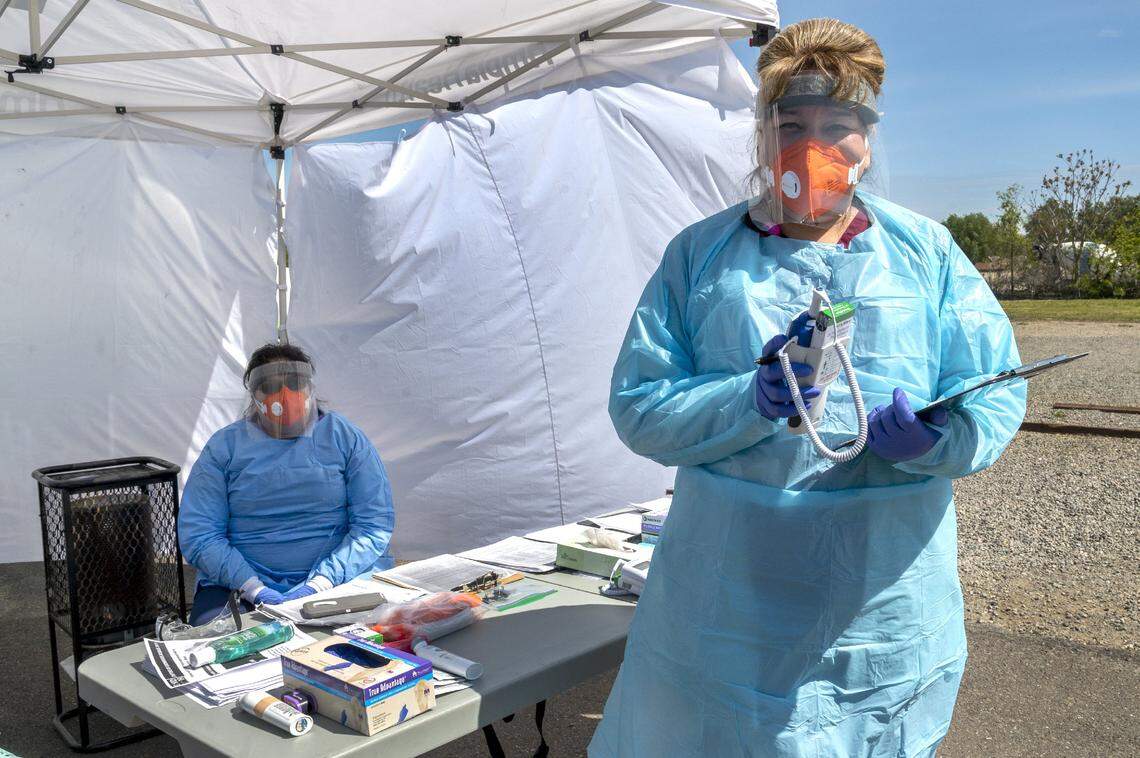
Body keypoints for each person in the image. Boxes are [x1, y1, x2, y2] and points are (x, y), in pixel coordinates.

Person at [589, 18, 1026, 758]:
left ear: (869, 140)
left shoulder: (925, 253)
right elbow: (640, 405)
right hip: (731, 607)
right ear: (762, 136)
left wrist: (937, 438)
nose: (814, 144)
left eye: (840, 124)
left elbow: (994, 389)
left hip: (882, 606)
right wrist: (745, 402)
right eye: (790, 122)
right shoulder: (701, 257)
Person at [179, 343, 396, 625]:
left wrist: (321, 583)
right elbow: (200, 533)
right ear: (254, 394)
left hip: (339, 580)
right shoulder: (225, 447)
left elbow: (373, 523)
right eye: (269, 386)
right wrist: (252, 586)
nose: (284, 395)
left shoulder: (344, 438)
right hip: (238, 585)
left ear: (309, 387)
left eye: (294, 383)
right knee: (216, 646)